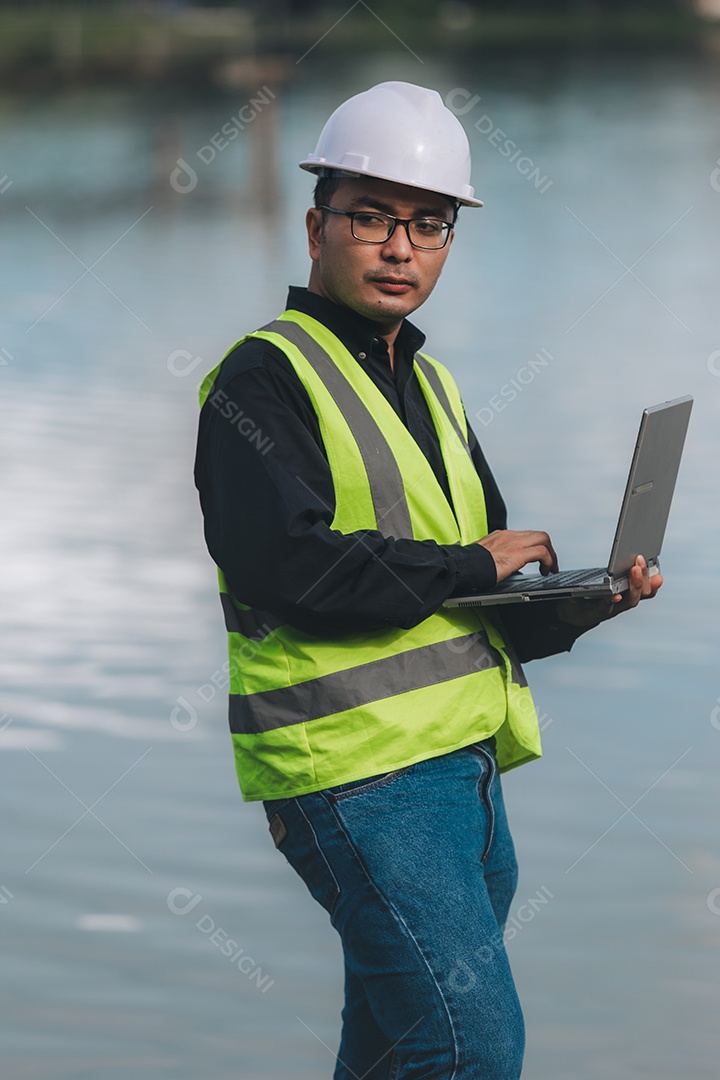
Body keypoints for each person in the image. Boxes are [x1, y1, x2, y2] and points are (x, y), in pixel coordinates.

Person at [194, 81, 661, 1080]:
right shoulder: (262, 378)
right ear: (317, 224)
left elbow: (464, 600)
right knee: (471, 1051)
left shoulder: (432, 384)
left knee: (395, 1049)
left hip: (463, 775)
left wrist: (582, 602)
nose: (401, 247)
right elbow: (284, 564)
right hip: (358, 778)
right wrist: (469, 564)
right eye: (373, 217)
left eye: (429, 224)